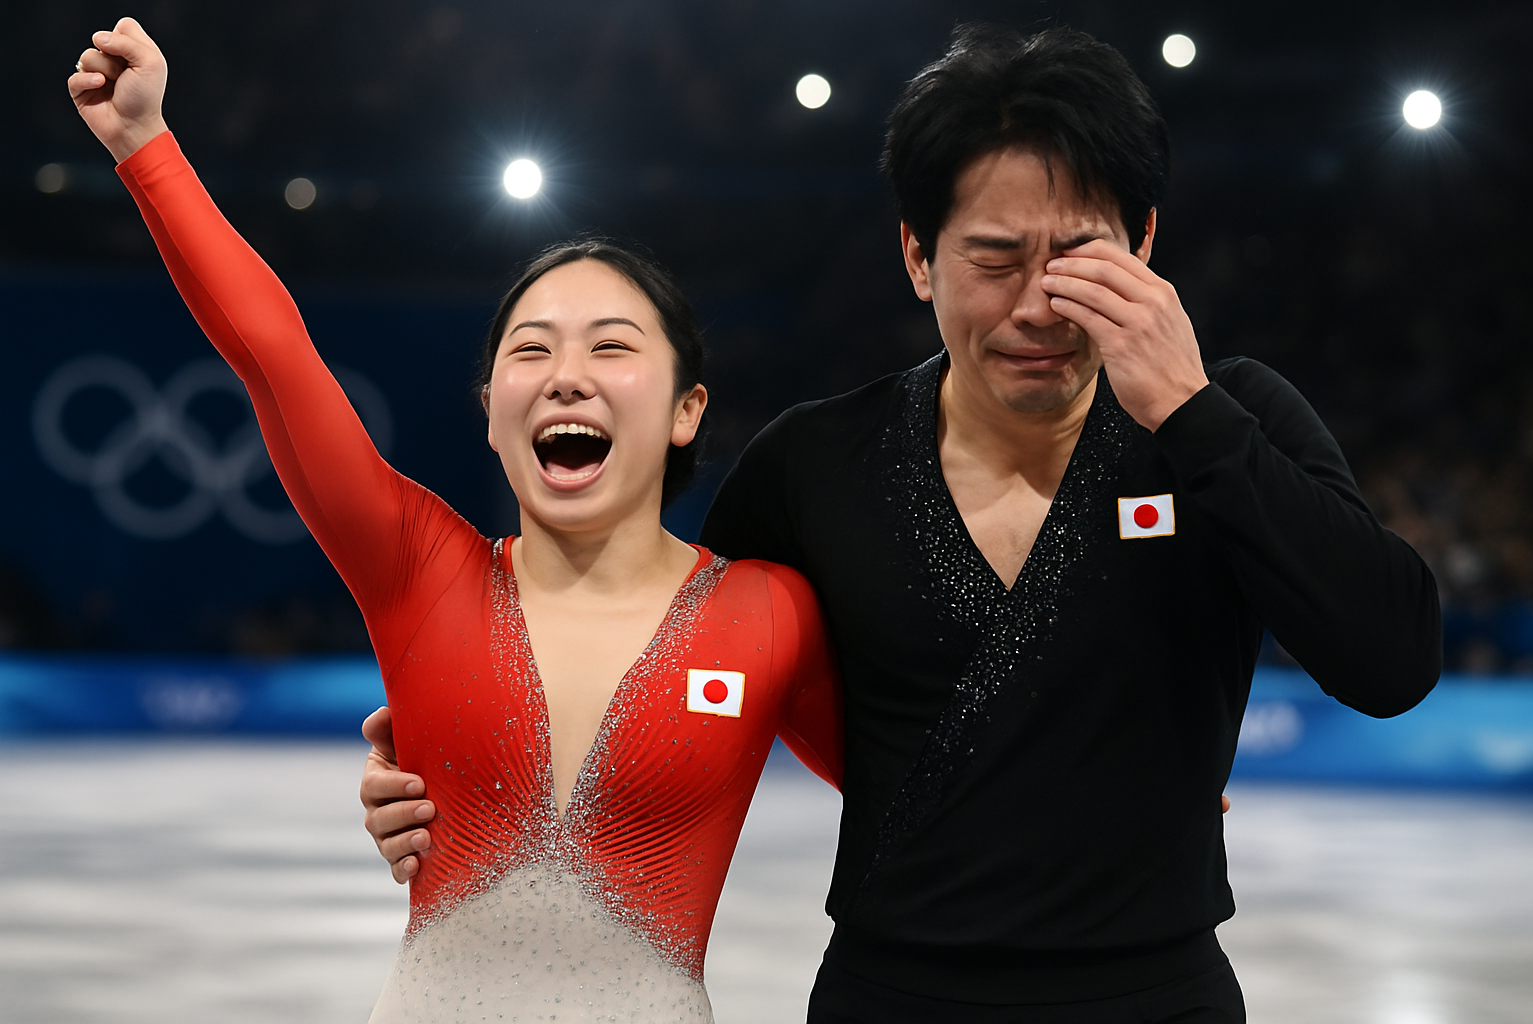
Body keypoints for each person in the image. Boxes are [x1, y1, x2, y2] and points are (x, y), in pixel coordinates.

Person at [357, 22, 1442, 1023]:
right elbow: (657, 625)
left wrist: (1191, 415)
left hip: (1158, 993)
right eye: (994, 258)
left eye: (1078, 255)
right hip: (894, 994)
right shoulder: (817, 462)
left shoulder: (1230, 416)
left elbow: (1391, 659)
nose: (1037, 305)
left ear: (1145, 241)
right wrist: (456, 756)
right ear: (919, 256)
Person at [68, 18, 843, 1024]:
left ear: (689, 408)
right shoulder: (419, 568)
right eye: (532, 350)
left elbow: (931, 793)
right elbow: (274, 356)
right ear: (489, 410)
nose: (566, 374)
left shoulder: (772, 612)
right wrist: (146, 147)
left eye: (612, 347)